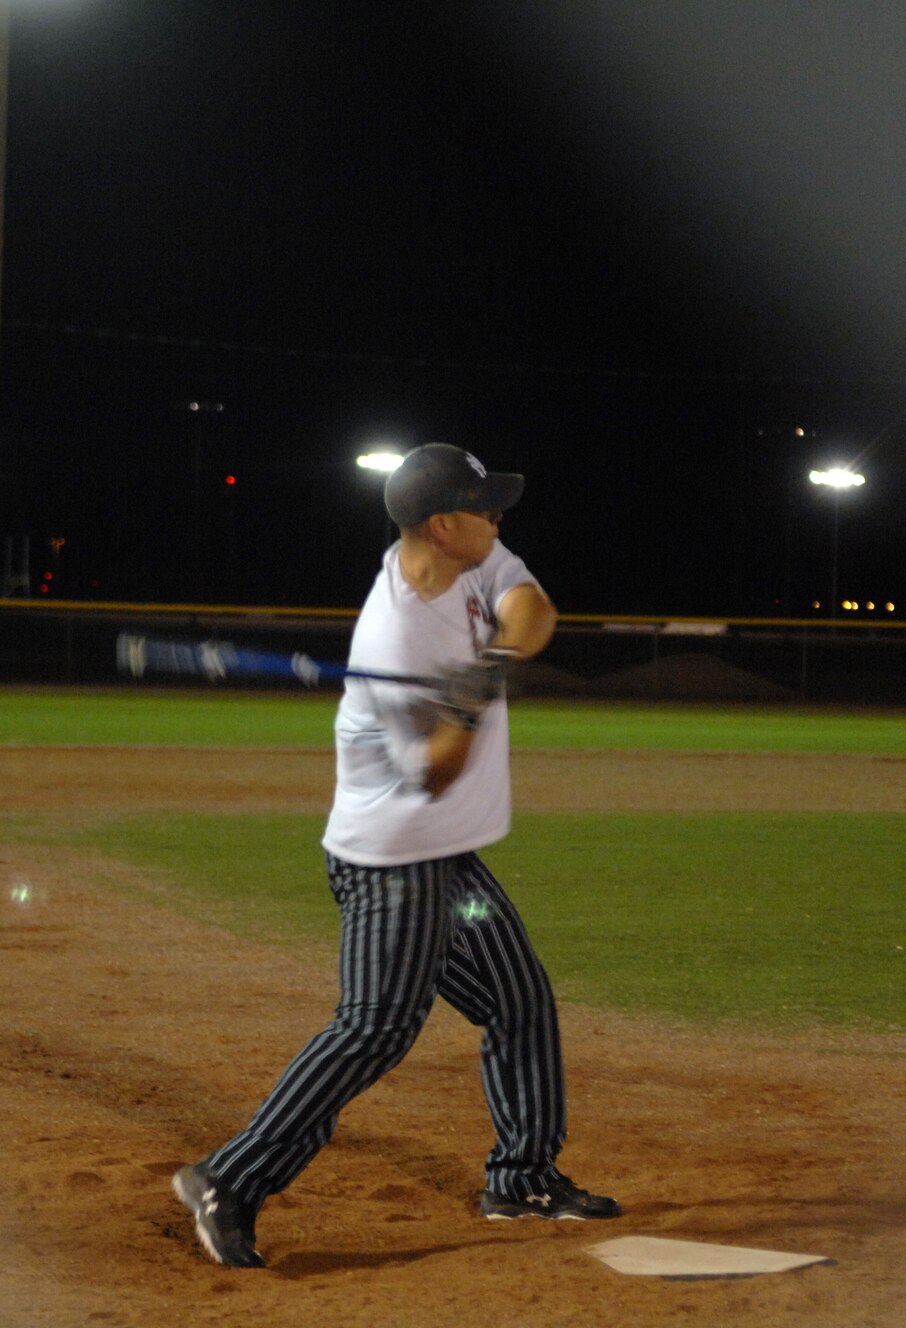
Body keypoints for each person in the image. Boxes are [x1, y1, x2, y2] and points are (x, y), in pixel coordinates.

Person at [172, 443, 619, 1269]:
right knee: (376, 1026)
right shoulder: (398, 635)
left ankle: (520, 1179)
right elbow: (437, 770)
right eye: (486, 508)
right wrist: (462, 707)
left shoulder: (469, 559)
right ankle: (228, 1178)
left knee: (519, 1000)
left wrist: (483, 671)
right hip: (394, 860)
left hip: (445, 857)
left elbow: (534, 610)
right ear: (444, 524)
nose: (498, 519)